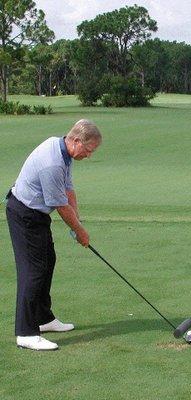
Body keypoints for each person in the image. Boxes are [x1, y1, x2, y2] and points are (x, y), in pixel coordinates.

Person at [6, 119, 102, 351]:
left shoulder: (62, 151)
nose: (88, 156)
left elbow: (68, 191)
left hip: (36, 215)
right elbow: (60, 205)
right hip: (25, 214)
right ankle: (26, 333)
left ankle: (43, 318)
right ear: (77, 141)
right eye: (88, 150)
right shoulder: (52, 163)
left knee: (48, 262)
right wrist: (80, 232)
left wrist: (76, 225)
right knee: (34, 271)